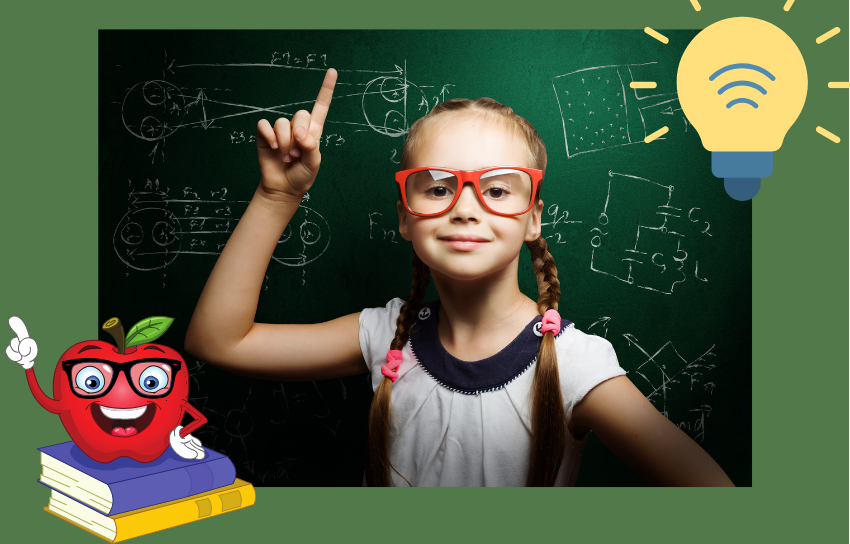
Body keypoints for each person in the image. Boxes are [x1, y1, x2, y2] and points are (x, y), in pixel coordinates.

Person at [184, 68, 734, 487]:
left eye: (497, 188)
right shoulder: (384, 335)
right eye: (438, 187)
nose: (466, 208)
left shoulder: (576, 364)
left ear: (533, 218)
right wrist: (277, 196)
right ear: (405, 216)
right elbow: (219, 341)